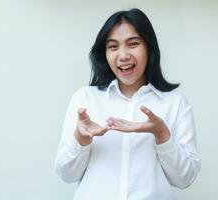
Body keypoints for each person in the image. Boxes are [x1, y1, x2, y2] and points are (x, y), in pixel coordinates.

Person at [55, 8, 200, 200]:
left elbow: (185, 178)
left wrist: (162, 135)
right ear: (104, 53)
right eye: (113, 47)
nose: (123, 55)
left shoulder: (175, 103)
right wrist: (81, 139)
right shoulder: (84, 99)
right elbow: (66, 174)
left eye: (133, 44)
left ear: (149, 48)